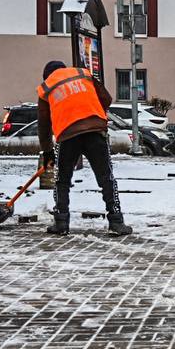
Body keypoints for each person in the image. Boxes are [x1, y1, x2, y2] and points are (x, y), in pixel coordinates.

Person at [37, 60, 132, 236]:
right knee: (106, 178)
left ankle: (61, 222)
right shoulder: (83, 74)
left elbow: (43, 124)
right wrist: (92, 111)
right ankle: (116, 221)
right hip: (95, 130)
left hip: (68, 135)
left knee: (62, 180)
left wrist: (48, 151)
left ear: (47, 75)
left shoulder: (47, 87)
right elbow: (107, 99)